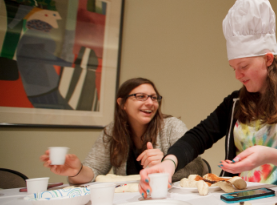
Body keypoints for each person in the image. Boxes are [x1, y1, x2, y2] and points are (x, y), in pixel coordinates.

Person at [139, 0, 277, 196]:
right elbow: (197, 137)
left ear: (268, 59)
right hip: (235, 198)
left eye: (243, 66)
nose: (237, 75)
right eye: (233, 68)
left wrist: (269, 155)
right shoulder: (234, 104)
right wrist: (169, 163)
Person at [40, 77, 206, 187]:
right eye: (141, 96)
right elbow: (94, 171)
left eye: (154, 97)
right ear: (122, 103)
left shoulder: (171, 126)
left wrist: (165, 162)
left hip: (170, 199)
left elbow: (198, 167)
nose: (150, 103)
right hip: (130, 201)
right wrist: (76, 171)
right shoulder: (112, 132)